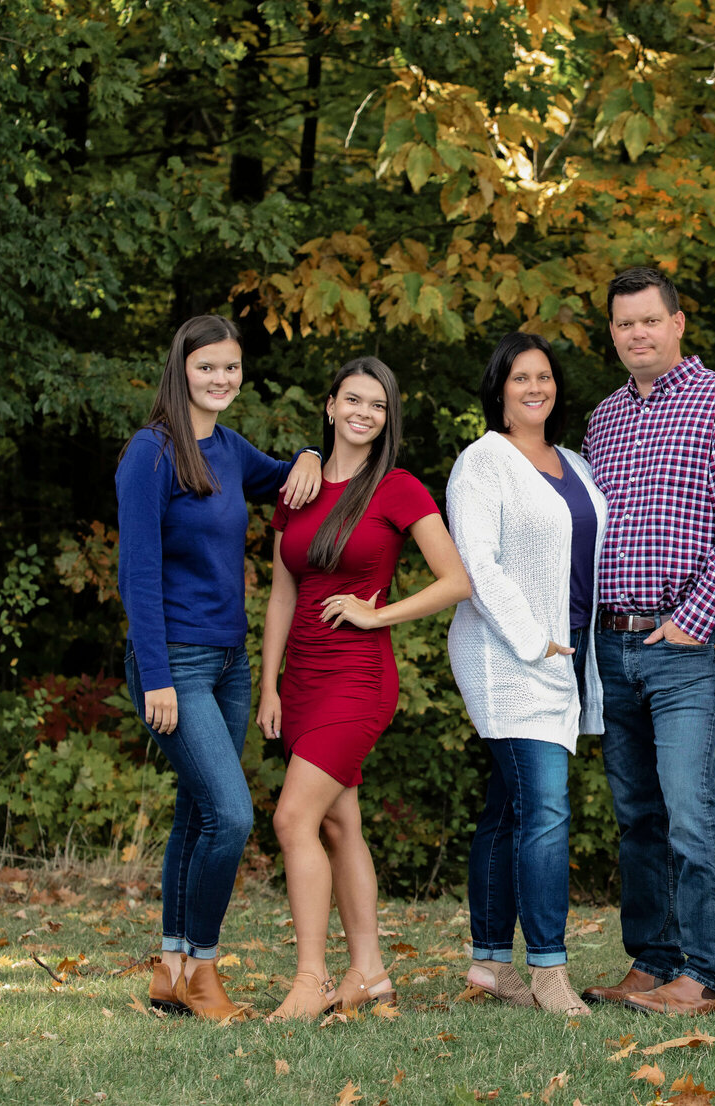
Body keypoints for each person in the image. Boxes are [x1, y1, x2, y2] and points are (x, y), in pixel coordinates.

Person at [117, 314, 324, 1022]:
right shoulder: (150, 454)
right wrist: (155, 678)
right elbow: (137, 574)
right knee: (232, 815)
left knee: (198, 812)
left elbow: (288, 480)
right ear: (182, 369)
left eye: (231, 367)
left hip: (230, 661)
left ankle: (170, 970)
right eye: (208, 366)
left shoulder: (231, 450)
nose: (221, 379)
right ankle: (204, 970)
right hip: (172, 658)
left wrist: (306, 455)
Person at [580, 267, 715, 1016]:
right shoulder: (604, 419)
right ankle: (654, 960)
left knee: (690, 805)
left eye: (649, 321)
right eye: (624, 324)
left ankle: (712, 972)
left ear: (678, 323)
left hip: (685, 643)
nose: (637, 334)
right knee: (637, 814)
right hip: (613, 642)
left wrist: (693, 619)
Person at [256, 356, 471, 1022]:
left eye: (378, 405)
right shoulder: (299, 486)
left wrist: (378, 612)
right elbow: (281, 594)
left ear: (387, 418)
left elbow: (456, 580)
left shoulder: (398, 488)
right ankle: (371, 974)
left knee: (294, 818)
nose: (364, 413)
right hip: (304, 678)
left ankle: (312, 980)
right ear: (329, 405)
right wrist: (269, 686)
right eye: (353, 399)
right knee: (339, 822)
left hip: (359, 676)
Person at [445, 332, 608, 1018]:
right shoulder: (482, 463)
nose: (534, 387)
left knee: (508, 809)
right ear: (499, 390)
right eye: (520, 378)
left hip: (568, 650)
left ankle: (488, 964)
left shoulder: (573, 460)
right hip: (509, 653)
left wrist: (563, 646)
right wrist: (535, 641)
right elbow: (478, 566)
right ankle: (547, 969)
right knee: (544, 809)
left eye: (544, 376)